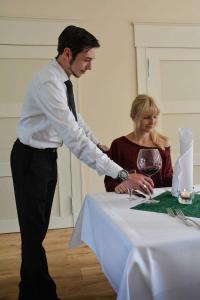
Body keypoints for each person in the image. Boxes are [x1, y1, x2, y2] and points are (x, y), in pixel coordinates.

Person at [10, 26, 154, 300]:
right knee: (33, 233)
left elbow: (77, 119)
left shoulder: (63, 79)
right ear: (67, 53)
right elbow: (74, 138)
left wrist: (98, 143)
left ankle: (32, 290)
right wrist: (122, 173)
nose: (89, 66)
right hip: (30, 159)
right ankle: (37, 293)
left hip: (44, 158)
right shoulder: (48, 84)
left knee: (36, 231)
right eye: (87, 59)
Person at [104, 94, 173, 193]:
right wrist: (118, 186)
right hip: (128, 202)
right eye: (147, 117)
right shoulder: (119, 145)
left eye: (155, 117)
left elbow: (168, 179)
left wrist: (181, 177)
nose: (152, 121)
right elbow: (110, 181)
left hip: (158, 202)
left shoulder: (163, 144)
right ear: (133, 116)